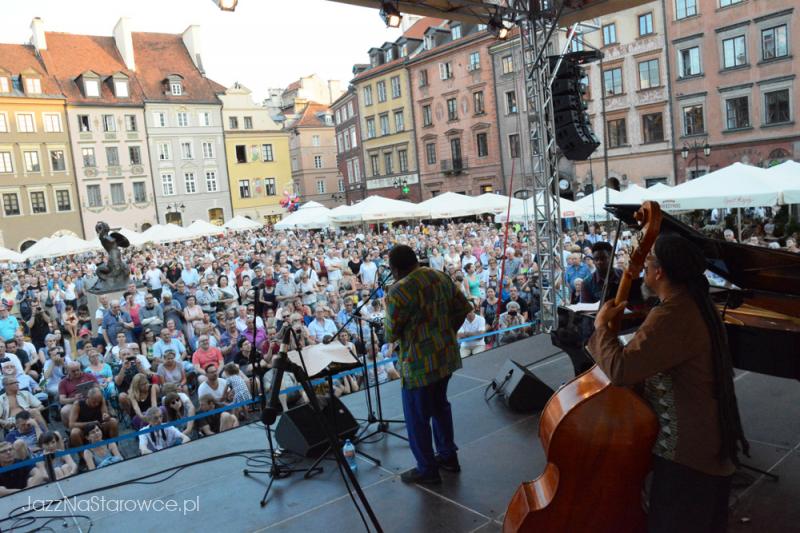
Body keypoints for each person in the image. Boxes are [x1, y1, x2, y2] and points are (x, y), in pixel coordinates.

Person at [589, 234, 748, 533]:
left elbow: (622, 370)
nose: (643, 272)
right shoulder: (693, 303)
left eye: (647, 264)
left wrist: (601, 328)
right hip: (706, 444)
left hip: (687, 456)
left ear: (660, 272)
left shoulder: (672, 314)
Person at [384, 245, 472, 484]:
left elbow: (390, 333)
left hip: (418, 366)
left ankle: (427, 469)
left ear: (395, 269)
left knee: (417, 418)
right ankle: (448, 457)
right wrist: (446, 332)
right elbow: (464, 308)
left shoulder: (398, 291)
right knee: (440, 407)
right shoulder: (439, 275)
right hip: (445, 356)